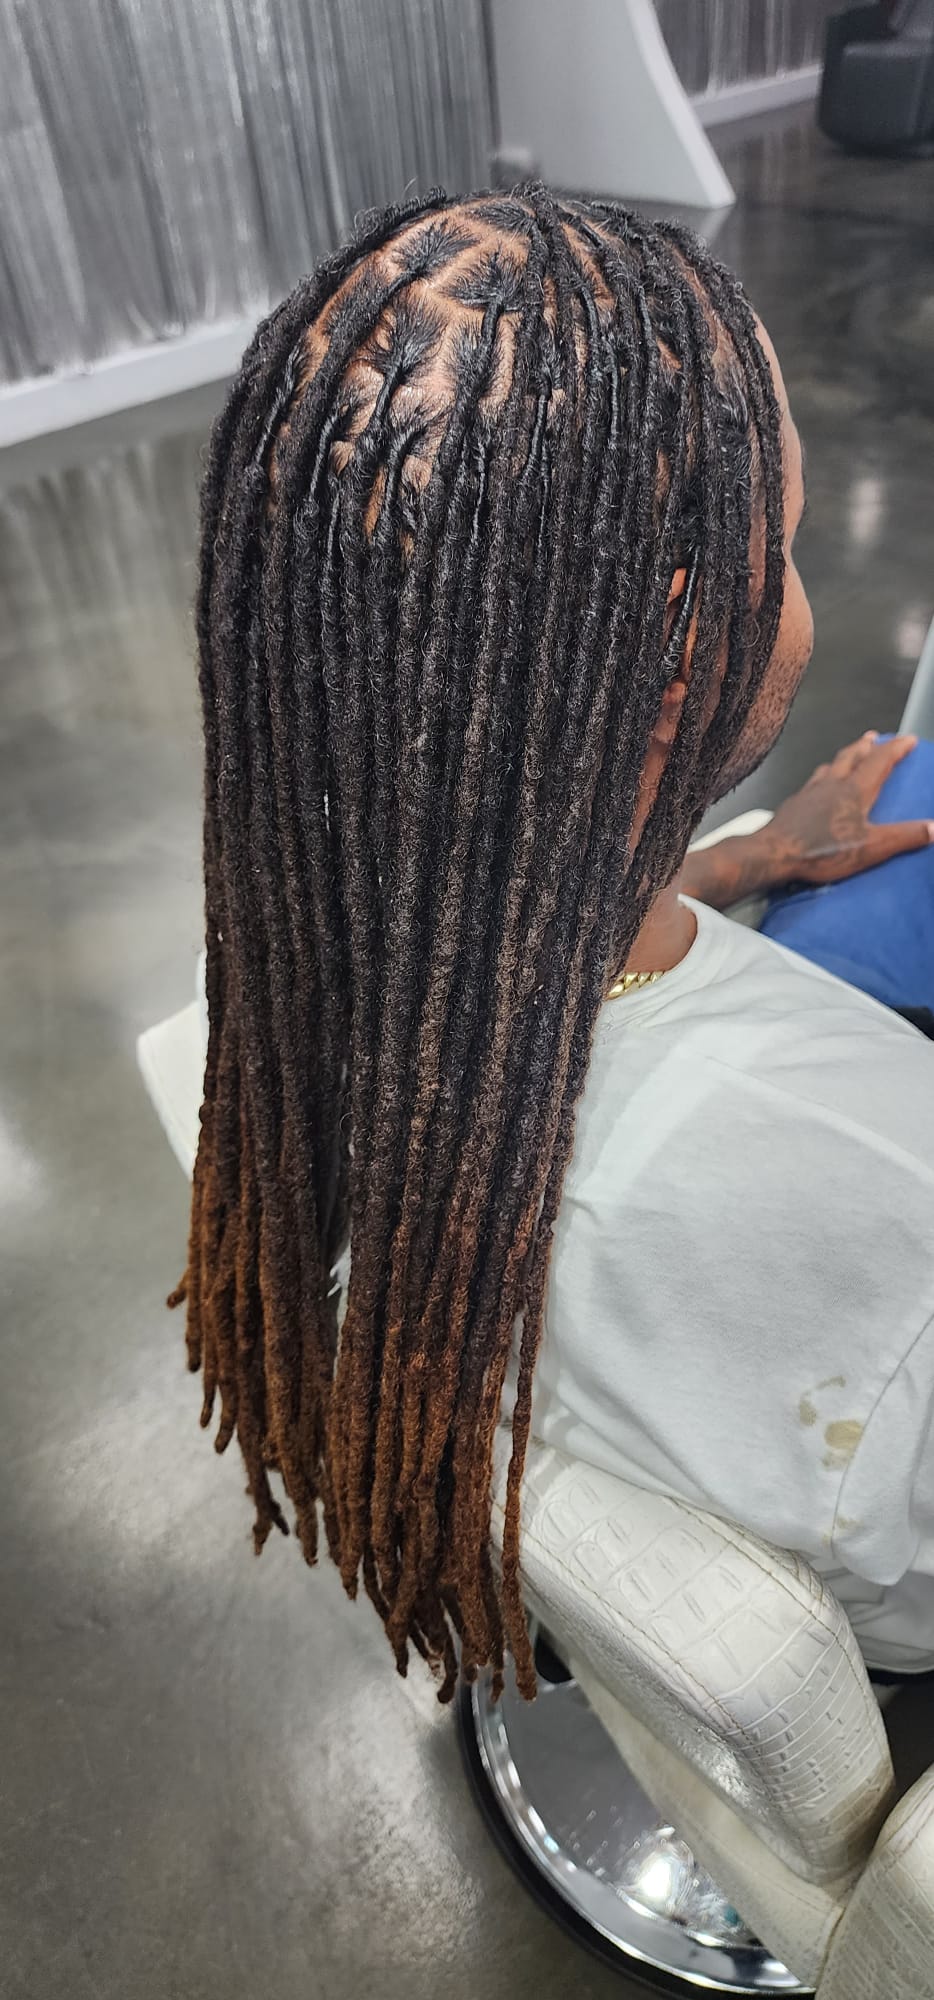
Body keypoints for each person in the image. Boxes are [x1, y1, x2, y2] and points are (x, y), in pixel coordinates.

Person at [176, 189, 934, 1702]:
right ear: (678, 646)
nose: (800, 588)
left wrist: (739, 864)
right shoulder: (880, 1193)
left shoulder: (286, 953)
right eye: (784, 543)